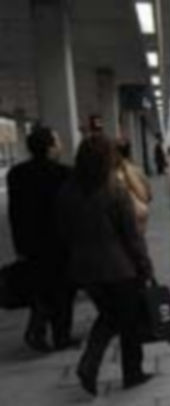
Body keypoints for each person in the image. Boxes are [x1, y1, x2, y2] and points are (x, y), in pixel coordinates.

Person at [57, 135, 154, 395]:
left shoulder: (67, 192)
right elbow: (131, 236)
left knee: (109, 316)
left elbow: (63, 231)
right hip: (119, 268)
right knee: (128, 322)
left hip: (85, 270)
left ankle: (89, 365)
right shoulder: (115, 190)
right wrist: (144, 265)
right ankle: (132, 372)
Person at [7, 126, 75, 352]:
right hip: (60, 242)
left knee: (42, 288)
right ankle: (61, 335)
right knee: (63, 290)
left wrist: (19, 245)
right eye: (57, 141)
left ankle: (38, 329)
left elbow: (14, 213)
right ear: (49, 147)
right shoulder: (64, 173)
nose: (60, 145)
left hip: (31, 243)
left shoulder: (16, 174)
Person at [116, 139, 151, 233]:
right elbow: (149, 195)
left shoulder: (113, 174)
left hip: (125, 218)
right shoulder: (137, 169)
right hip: (139, 217)